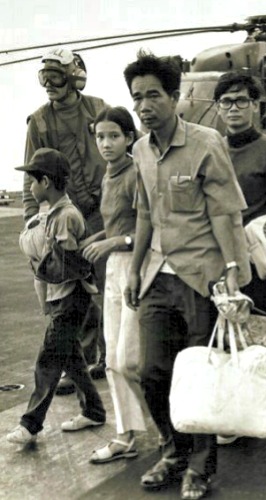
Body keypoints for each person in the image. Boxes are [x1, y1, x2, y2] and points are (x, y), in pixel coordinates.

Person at [123, 51, 251, 500]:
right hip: (158, 275)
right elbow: (143, 215)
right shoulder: (138, 150)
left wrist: (233, 271)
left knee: (201, 376)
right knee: (151, 370)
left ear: (175, 97)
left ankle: (199, 467)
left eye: (153, 95)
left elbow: (226, 214)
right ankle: (172, 450)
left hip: (203, 276)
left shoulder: (206, 142)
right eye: (137, 97)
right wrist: (135, 271)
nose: (143, 105)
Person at [23, 47, 109, 393]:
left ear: (74, 76)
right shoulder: (39, 121)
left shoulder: (99, 109)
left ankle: (111, 356)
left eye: (55, 76)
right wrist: (33, 221)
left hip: (104, 210)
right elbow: (32, 174)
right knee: (74, 291)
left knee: (109, 287)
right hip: (68, 216)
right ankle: (82, 364)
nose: (48, 84)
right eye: (44, 77)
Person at [7, 148, 106, 445]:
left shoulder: (64, 216)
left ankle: (30, 424)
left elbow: (62, 264)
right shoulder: (50, 214)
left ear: (47, 182)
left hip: (72, 297)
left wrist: (39, 258)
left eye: (32, 181)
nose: (30, 187)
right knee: (71, 358)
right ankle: (94, 411)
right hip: (63, 296)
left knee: (48, 358)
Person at [77, 106, 148, 464]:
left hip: (138, 266)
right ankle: (125, 436)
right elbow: (118, 222)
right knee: (112, 361)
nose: (105, 143)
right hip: (113, 270)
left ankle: (169, 423)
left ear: (129, 138)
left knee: (128, 358)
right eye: (100, 136)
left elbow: (148, 230)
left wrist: (112, 242)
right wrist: (101, 238)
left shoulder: (137, 174)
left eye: (113, 136)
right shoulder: (109, 175)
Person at [213, 71, 266, 316]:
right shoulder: (213, 150)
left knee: (265, 334)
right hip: (221, 256)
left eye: (241, 100)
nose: (234, 108)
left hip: (260, 260)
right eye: (226, 101)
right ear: (218, 107)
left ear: (253, 105)